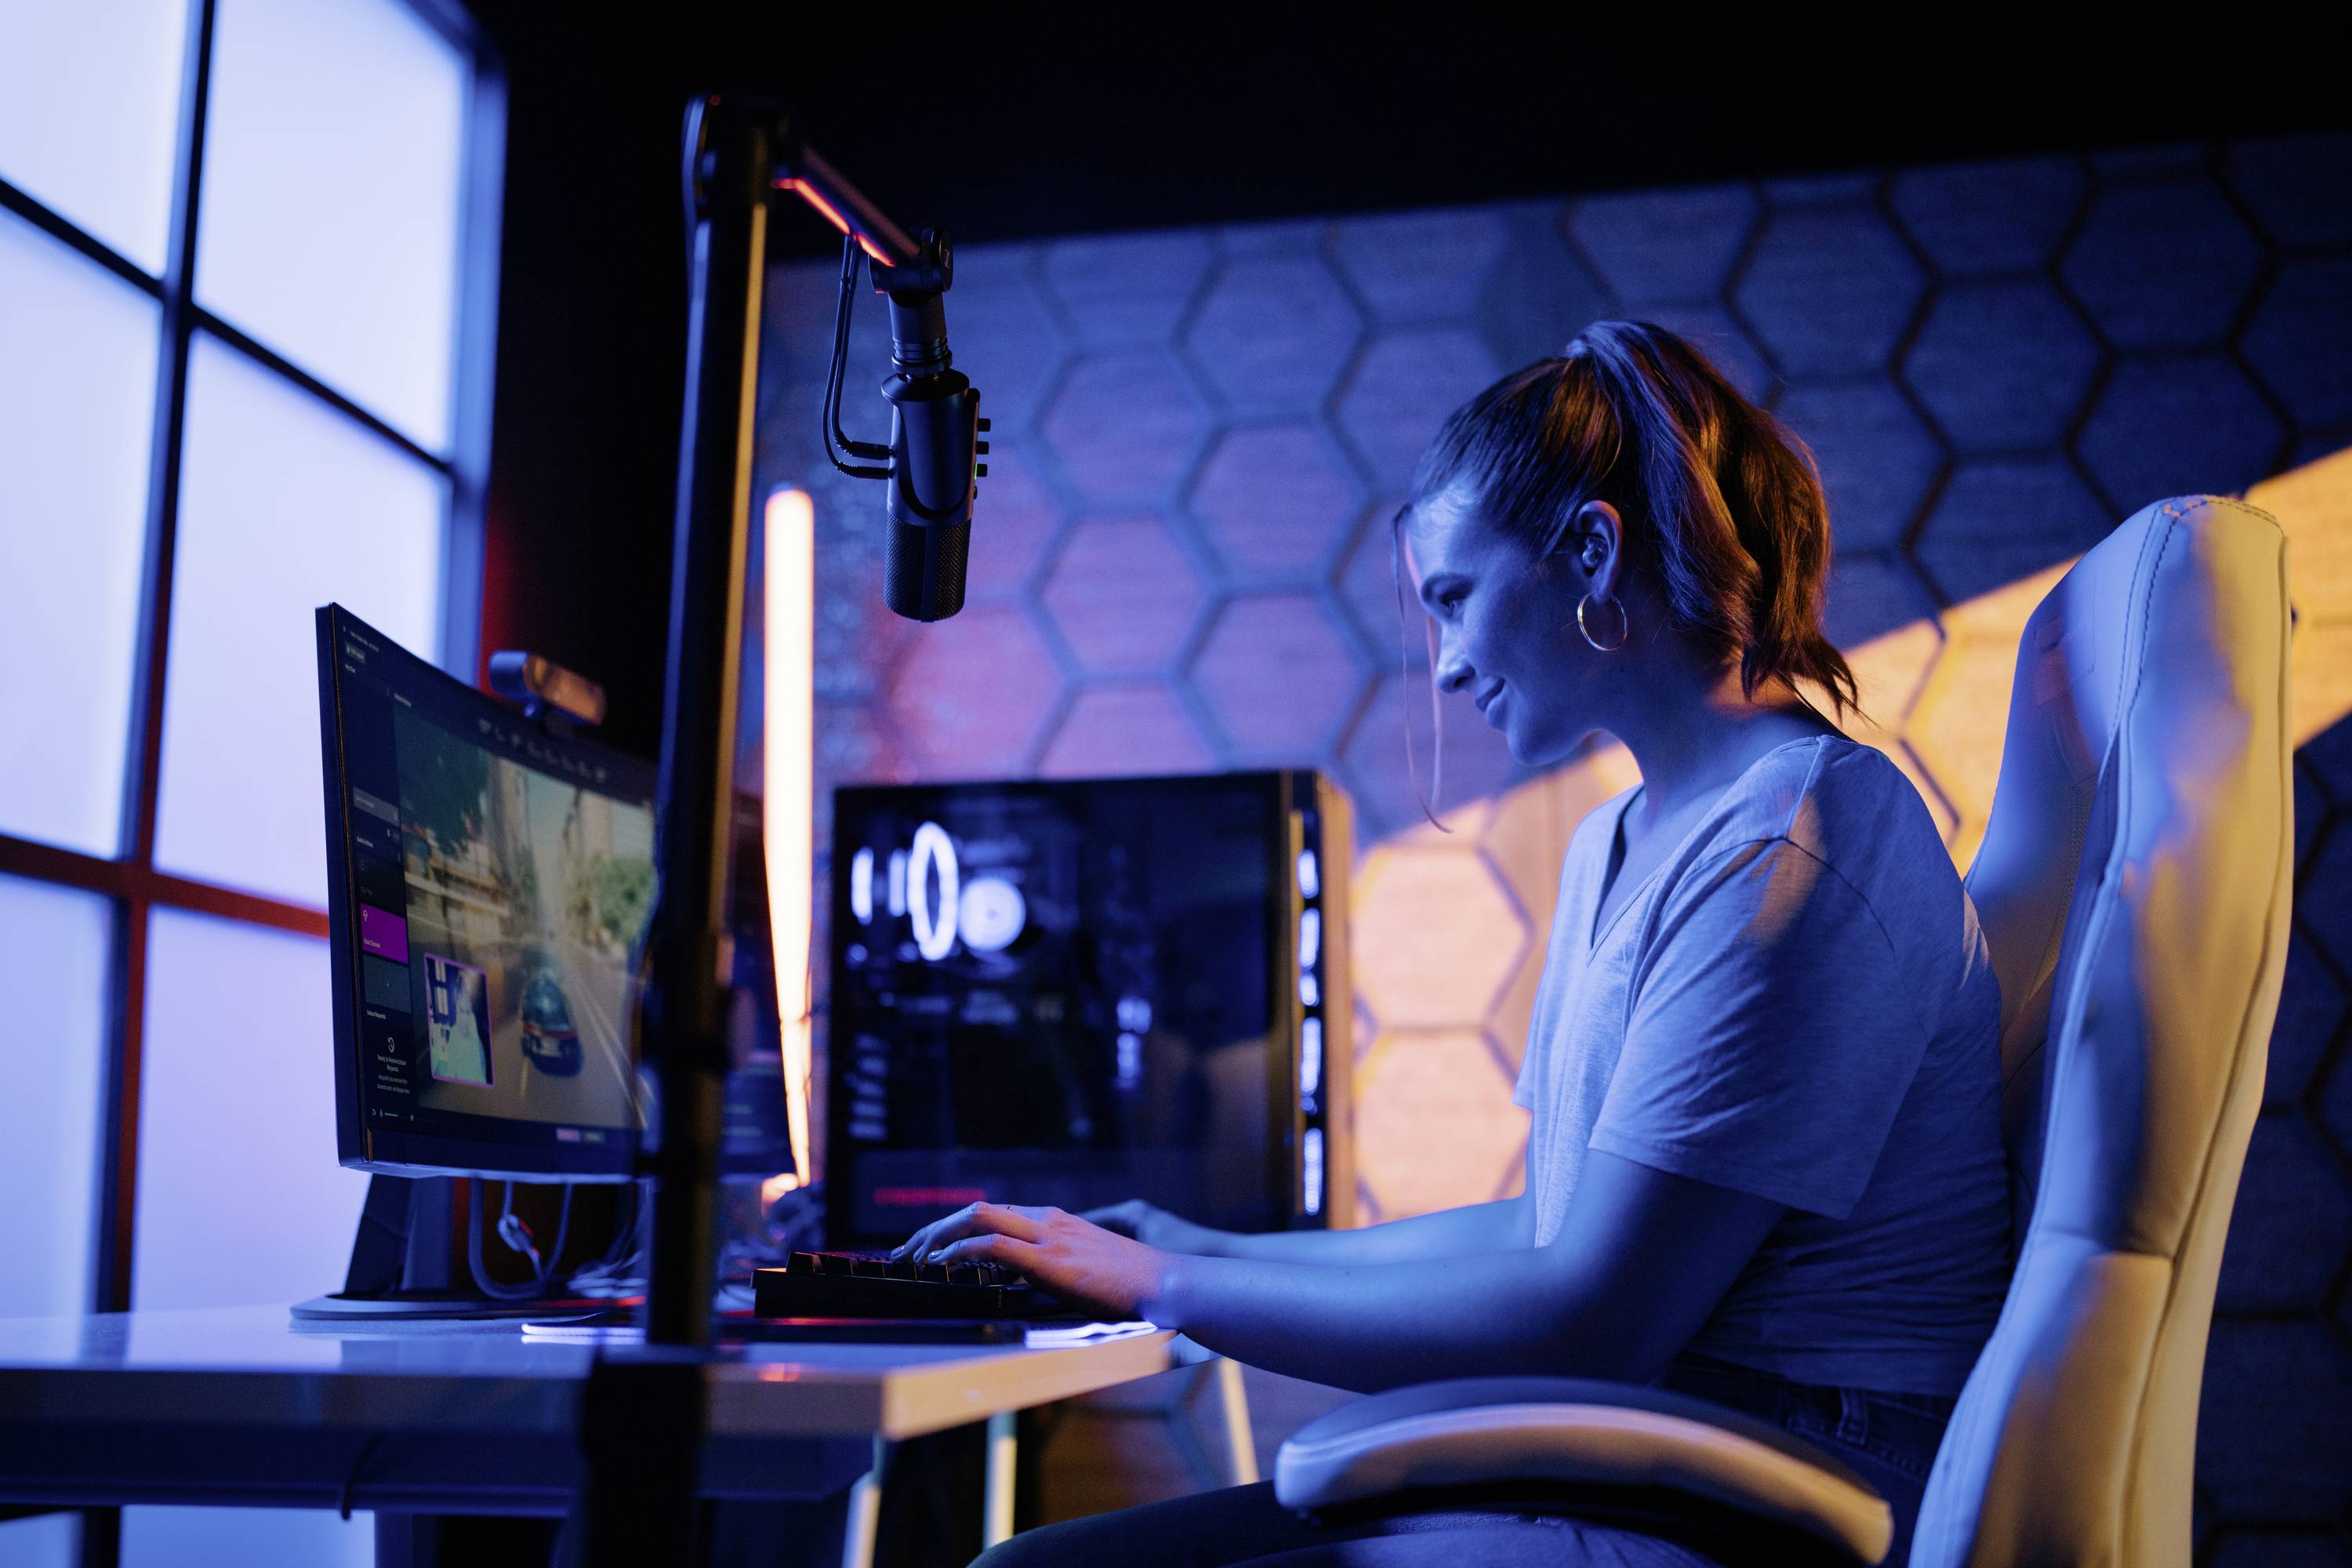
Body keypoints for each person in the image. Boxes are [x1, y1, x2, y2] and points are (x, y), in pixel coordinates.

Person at [902, 321, 2013, 1567]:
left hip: (1775, 1492)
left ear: (1593, 553)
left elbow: (1593, 1321)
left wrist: (1159, 1291)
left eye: (1456, 599)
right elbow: (1549, 1226)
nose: (1444, 667)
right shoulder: (1625, 839)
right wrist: (1197, 1247)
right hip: (1649, 1451)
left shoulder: (1795, 847)